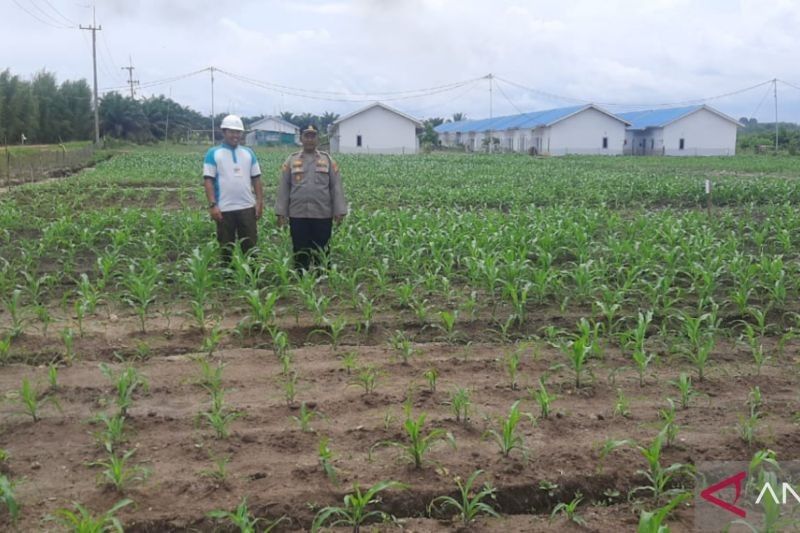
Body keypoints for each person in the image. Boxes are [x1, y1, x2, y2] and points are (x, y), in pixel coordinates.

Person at [275, 125, 348, 271]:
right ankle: (301, 274)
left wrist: (339, 210)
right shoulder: (291, 160)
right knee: (300, 247)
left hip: (322, 214)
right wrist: (281, 212)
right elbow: (284, 186)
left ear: (317, 139)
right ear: (301, 138)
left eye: (313, 136)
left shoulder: (328, 160)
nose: (309, 139)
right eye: (306, 136)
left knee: (322, 247)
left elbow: (336, 186)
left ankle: (322, 274)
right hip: (298, 214)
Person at [202, 114, 264, 262]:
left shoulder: (249, 153)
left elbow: (256, 179)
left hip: (247, 207)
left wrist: (259, 202)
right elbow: (208, 181)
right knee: (226, 247)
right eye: (231, 132)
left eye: (238, 132)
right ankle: (227, 278)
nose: (235, 135)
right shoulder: (213, 153)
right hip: (224, 209)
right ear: (224, 132)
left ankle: (252, 276)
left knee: (250, 247)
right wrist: (213, 205)